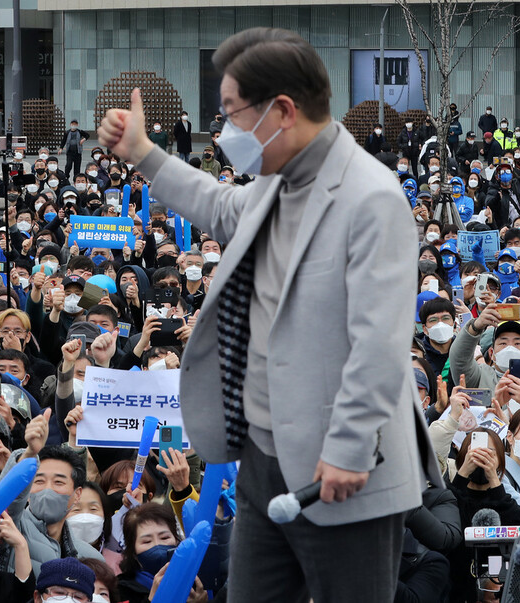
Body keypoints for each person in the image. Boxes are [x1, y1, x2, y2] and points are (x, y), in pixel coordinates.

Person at [97, 27, 439, 602]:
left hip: (342, 471)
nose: (224, 129)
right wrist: (143, 154)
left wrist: (348, 448)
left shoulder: (371, 198)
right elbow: (217, 205)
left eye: (232, 112)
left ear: (283, 110)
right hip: (263, 455)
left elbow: (379, 344)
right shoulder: (275, 183)